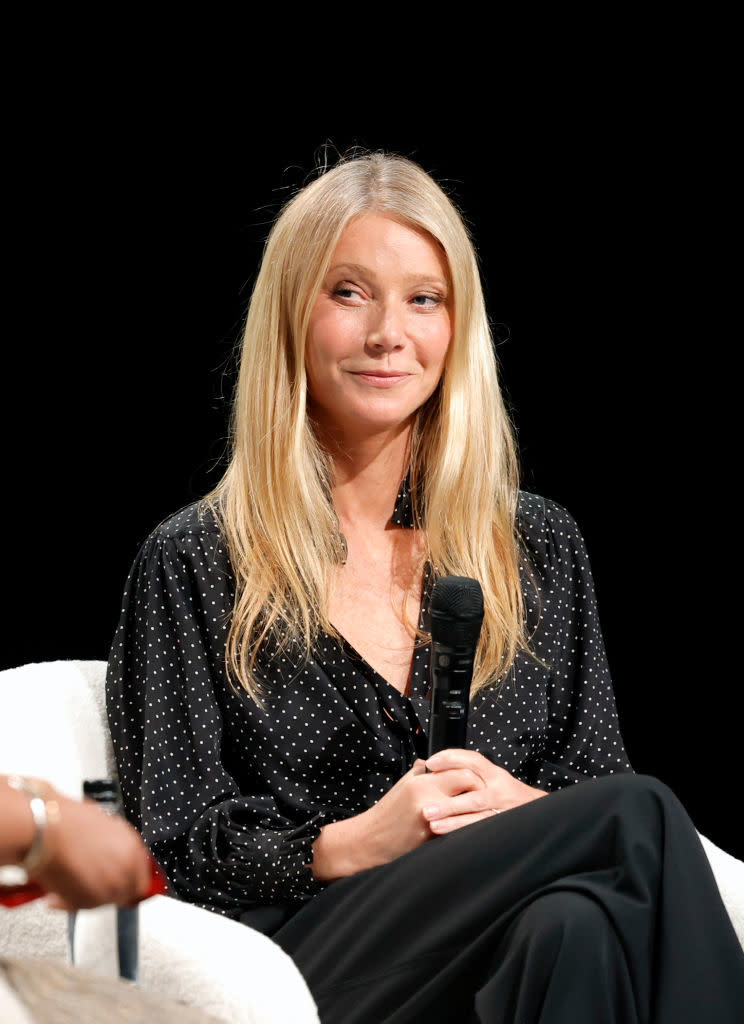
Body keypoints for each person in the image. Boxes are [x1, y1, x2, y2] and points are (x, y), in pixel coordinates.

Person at [105, 152, 744, 1023]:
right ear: (291, 313)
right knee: (639, 815)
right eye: (348, 292)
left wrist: (519, 810)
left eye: (423, 299)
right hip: (315, 958)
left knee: (576, 928)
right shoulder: (193, 562)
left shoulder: (535, 543)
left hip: (497, 943)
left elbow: (590, 772)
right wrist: (353, 842)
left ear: (458, 327)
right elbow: (169, 847)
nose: (387, 334)